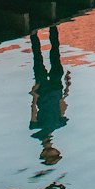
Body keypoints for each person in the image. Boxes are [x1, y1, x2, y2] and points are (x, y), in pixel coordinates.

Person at [29, 25, 70, 165]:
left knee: (38, 59)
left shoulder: (36, 131)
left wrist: (34, 95)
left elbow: (34, 111)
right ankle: (53, 27)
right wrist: (67, 88)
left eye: (53, 154)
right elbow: (62, 106)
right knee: (55, 55)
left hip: (43, 93)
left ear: (44, 153)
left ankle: (34, 34)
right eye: (55, 153)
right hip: (56, 90)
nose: (55, 151)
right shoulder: (59, 124)